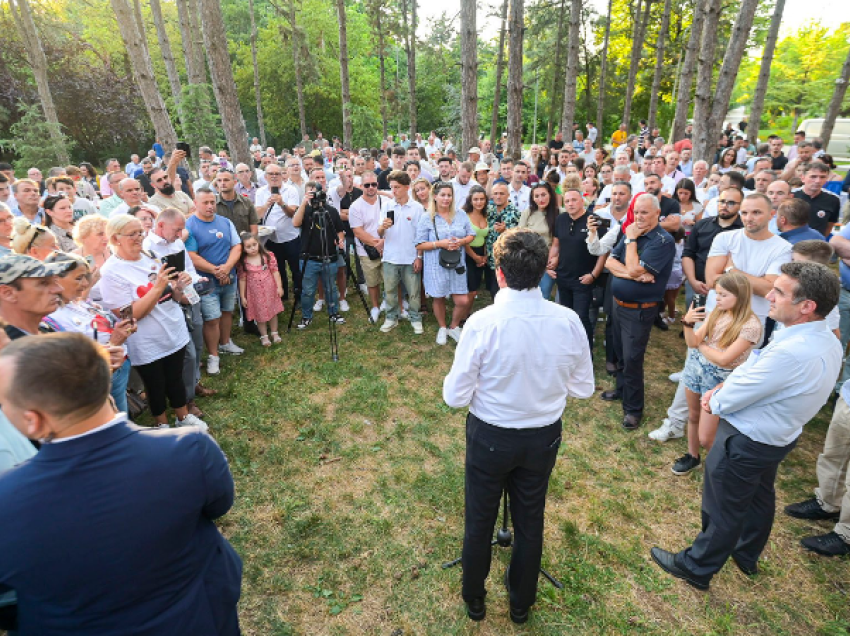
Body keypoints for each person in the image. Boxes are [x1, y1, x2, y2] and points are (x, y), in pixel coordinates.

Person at [0, 333, 242, 634]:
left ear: (33, 421)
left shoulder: (7, 499)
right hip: (199, 617)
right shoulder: (190, 449)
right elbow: (220, 504)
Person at [651, 262, 842, 590]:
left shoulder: (792, 351)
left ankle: (696, 567)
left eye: (779, 292)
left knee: (723, 505)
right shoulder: (825, 339)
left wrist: (714, 397)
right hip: (778, 436)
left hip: (747, 437)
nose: (768, 294)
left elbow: (729, 398)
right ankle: (747, 551)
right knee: (759, 497)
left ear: (807, 306)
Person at [443, 228, 594, 624]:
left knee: (480, 519)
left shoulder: (482, 322)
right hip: (542, 436)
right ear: (546, 267)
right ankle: (520, 604)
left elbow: (455, 396)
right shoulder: (568, 320)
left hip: (492, 434)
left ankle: (476, 598)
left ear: (500, 273)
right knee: (530, 521)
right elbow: (583, 387)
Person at [99, 214, 207, 430]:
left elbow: (174, 297)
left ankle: (183, 416)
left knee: (175, 377)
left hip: (172, 328)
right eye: (133, 234)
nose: (139, 237)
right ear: (115, 238)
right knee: (155, 384)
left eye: (141, 232)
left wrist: (178, 286)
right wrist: (158, 287)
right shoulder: (111, 271)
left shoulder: (151, 255)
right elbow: (128, 315)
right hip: (146, 338)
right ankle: (162, 424)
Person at [673, 272, 762, 476]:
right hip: (696, 369)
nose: (717, 299)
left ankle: (717, 468)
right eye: (717, 294)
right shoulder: (718, 313)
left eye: (723, 295)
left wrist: (701, 346)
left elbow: (724, 359)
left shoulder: (750, 326)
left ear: (740, 296)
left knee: (707, 437)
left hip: (719, 379)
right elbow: (691, 342)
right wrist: (687, 324)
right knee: (693, 415)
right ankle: (692, 456)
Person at [602, 194, 676, 430]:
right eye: (637, 212)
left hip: (639, 311)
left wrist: (631, 241)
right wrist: (631, 274)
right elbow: (610, 263)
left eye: (645, 212)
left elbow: (633, 266)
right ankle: (622, 390)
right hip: (618, 304)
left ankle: (633, 409)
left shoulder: (662, 241)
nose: (639, 216)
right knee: (621, 353)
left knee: (633, 359)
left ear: (657, 213)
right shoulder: (631, 230)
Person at [42, 251, 134, 415]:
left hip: (116, 372)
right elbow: (74, 365)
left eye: (86, 277)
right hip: (99, 381)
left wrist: (120, 328)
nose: (85, 284)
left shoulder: (75, 301)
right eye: (78, 278)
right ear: (55, 279)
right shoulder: (52, 318)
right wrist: (114, 341)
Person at [186, 188, 244, 375]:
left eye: (212, 202)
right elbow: (191, 255)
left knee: (227, 312)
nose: (210, 206)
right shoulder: (190, 226)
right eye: (206, 202)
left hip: (229, 277)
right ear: (196, 203)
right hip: (206, 282)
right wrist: (215, 270)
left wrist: (227, 267)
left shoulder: (225, 222)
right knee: (212, 319)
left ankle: (226, 343)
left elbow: (236, 246)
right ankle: (213, 356)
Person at [415, 182, 475, 345]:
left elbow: (471, 235)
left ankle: (453, 326)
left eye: (449, 195)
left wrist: (461, 241)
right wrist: (439, 244)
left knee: (462, 300)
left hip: (457, 263)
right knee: (439, 296)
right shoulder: (427, 217)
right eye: (443, 195)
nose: (446, 198)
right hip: (436, 264)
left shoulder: (461, 214)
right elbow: (419, 244)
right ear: (435, 196)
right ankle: (442, 327)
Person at [547, 189, 607, 348]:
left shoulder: (594, 220)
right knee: (565, 316)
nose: (570, 204)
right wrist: (550, 263)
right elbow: (556, 244)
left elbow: (603, 251)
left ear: (582, 201)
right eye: (567, 201)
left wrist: (594, 274)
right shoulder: (561, 219)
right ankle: (568, 348)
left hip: (584, 279)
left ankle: (586, 352)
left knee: (581, 317)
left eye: (574, 200)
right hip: (563, 277)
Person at [292, 181, 346, 329]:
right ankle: (306, 316)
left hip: (329, 256)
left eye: (317, 192)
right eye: (311, 192)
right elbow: (295, 223)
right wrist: (304, 203)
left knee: (331, 288)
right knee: (308, 290)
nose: (315, 196)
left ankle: (334, 313)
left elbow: (340, 230)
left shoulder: (331, 211)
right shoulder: (304, 210)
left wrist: (340, 240)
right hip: (309, 258)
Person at [378, 171, 424, 335]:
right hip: (390, 256)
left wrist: (419, 257)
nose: (393, 191)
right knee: (389, 290)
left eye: (397, 187)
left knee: (414, 291)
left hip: (410, 257)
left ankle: (415, 317)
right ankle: (391, 317)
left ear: (406, 187)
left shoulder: (417, 208)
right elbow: (379, 233)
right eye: (391, 187)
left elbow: (420, 236)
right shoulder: (387, 206)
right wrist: (383, 227)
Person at [349, 172, 386, 323]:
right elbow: (358, 231)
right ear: (361, 186)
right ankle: (375, 307)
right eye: (367, 185)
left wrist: (383, 244)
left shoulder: (385, 201)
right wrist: (377, 244)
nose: (371, 188)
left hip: (387, 247)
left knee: (390, 279)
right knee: (372, 281)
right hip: (367, 250)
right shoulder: (355, 206)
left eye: (374, 184)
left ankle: (390, 303)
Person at [237, 232, 283, 346]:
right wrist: (242, 296)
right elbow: (242, 279)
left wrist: (279, 287)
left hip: (270, 289)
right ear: (243, 249)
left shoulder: (268, 256)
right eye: (248, 247)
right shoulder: (243, 262)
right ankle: (264, 335)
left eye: (254, 244)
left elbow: (275, 272)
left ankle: (274, 332)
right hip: (254, 293)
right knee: (259, 314)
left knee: (273, 311)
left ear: (258, 243)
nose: (252, 248)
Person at [519, 182, 560, 300]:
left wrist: (556, 258)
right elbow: (521, 237)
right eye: (536, 196)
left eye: (543, 195)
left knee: (544, 295)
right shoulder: (528, 213)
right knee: (530, 296)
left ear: (550, 195)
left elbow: (563, 240)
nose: (540, 199)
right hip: (531, 260)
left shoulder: (560, 213)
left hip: (552, 260)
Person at [463, 186, 495, 303]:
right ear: (470, 200)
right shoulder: (464, 215)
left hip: (482, 252)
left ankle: (467, 315)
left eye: (482, 199)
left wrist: (484, 255)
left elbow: (487, 237)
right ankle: (462, 317)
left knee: (475, 289)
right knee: (470, 290)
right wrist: (475, 257)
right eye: (476, 199)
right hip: (467, 253)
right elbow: (463, 239)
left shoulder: (486, 215)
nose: (479, 202)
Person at [793, 161, 840, 238]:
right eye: (813, 177)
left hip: (816, 244)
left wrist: (821, 239)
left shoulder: (833, 199)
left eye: (822, 177)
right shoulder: (791, 195)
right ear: (803, 178)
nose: (818, 181)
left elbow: (830, 224)